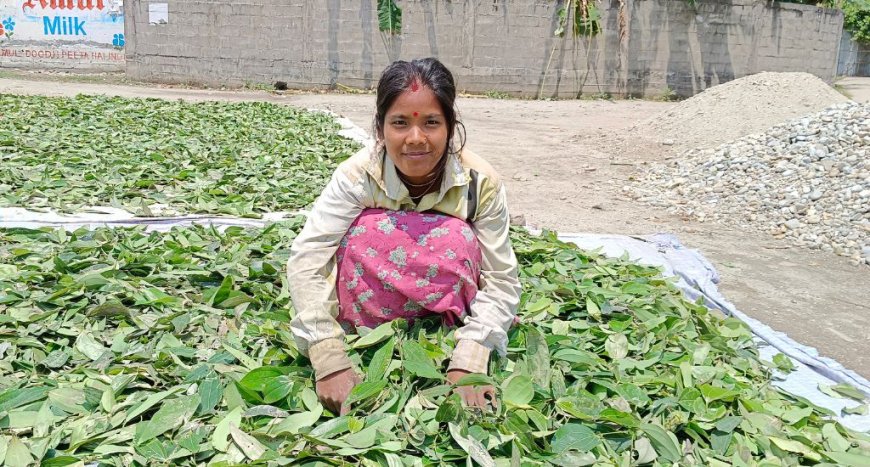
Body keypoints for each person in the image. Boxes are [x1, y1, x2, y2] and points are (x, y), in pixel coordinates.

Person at [287, 57, 521, 415]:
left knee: (457, 235)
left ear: (450, 127)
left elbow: (502, 278)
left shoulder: (479, 183)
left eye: (431, 122)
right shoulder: (356, 176)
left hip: (448, 318)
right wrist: (326, 354)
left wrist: (471, 357)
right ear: (380, 129)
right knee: (365, 229)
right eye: (400, 123)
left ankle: (440, 334)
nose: (415, 139)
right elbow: (309, 257)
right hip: (365, 323)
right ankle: (369, 331)